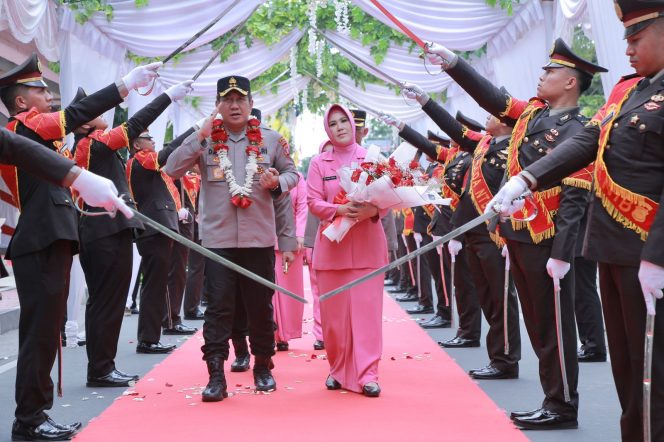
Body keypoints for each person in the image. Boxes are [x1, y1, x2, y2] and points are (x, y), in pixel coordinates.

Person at [486, 3, 664, 439]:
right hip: (614, 250)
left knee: (653, 374)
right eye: (626, 37)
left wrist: (658, 255)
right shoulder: (627, 92)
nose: (627, 47)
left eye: (637, 38)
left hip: (650, 252)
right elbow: (588, 141)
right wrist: (526, 178)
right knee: (626, 368)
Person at [426, 38, 606, 430]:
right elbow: (492, 97)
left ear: (571, 83)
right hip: (519, 236)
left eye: (551, 71)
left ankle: (562, 406)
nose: (542, 76)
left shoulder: (580, 130)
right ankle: (552, 399)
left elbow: (575, 199)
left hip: (548, 241)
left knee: (555, 326)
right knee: (539, 324)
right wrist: (453, 63)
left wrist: (562, 253)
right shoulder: (532, 117)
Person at [0, 52, 157, 441]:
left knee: (46, 331)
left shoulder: (36, 134)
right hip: (40, 239)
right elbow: (76, 113)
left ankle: (35, 415)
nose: (49, 97)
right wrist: (124, 85)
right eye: (40, 89)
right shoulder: (25, 127)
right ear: (21, 102)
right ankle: (29, 420)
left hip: (50, 238)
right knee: (39, 334)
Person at [164, 75, 298, 401]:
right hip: (217, 242)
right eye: (228, 100)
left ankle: (263, 366)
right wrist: (199, 135)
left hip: (258, 240)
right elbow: (171, 168)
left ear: (251, 104)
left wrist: (277, 181)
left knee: (260, 308)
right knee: (218, 309)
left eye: (241, 99)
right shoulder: (206, 139)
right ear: (218, 106)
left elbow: (293, 175)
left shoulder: (270, 139)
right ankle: (215, 376)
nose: (235, 105)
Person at [72, 80, 192, 387]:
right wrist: (166, 96)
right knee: (105, 303)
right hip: (103, 231)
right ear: (85, 121)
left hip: (111, 230)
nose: (106, 114)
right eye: (98, 111)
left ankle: (103, 366)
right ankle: (100, 369)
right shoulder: (92, 143)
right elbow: (136, 124)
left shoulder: (97, 144)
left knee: (108, 302)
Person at [307, 103, 387, 397]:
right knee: (334, 320)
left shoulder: (372, 158)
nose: (340, 127)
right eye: (334, 123)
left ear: (354, 125)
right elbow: (313, 202)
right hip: (332, 250)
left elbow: (388, 201)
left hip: (367, 248)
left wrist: (372, 211)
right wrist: (339, 208)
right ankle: (337, 370)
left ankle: (368, 374)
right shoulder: (319, 163)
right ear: (327, 130)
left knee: (367, 315)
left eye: (344, 121)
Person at [127, 126, 196, 354]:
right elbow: (169, 152)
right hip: (154, 229)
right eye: (148, 138)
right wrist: (193, 131)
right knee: (154, 285)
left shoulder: (144, 161)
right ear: (137, 145)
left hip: (159, 228)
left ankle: (150, 336)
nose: (153, 142)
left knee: (156, 284)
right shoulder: (141, 159)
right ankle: (148, 339)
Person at [303, 139, 334, 351]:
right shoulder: (315, 175)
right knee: (319, 292)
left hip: (348, 242)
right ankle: (321, 334)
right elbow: (309, 212)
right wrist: (308, 244)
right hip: (318, 239)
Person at [274, 171, 307, 351]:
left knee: (289, 292)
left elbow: (303, 206)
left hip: (291, 239)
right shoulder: (262, 172)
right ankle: (268, 333)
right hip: (265, 237)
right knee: (268, 292)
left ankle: (284, 335)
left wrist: (300, 234)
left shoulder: (298, 177)